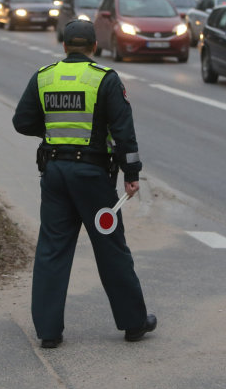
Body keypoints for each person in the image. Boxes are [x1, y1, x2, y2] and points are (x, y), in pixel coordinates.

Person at [12, 20, 156, 349]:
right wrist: (131, 174)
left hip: (55, 173)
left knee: (52, 250)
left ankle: (48, 331)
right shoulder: (105, 79)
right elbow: (123, 132)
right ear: (94, 47)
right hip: (93, 178)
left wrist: (53, 135)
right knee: (111, 249)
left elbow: (22, 121)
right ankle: (134, 323)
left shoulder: (44, 77)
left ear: (64, 46)